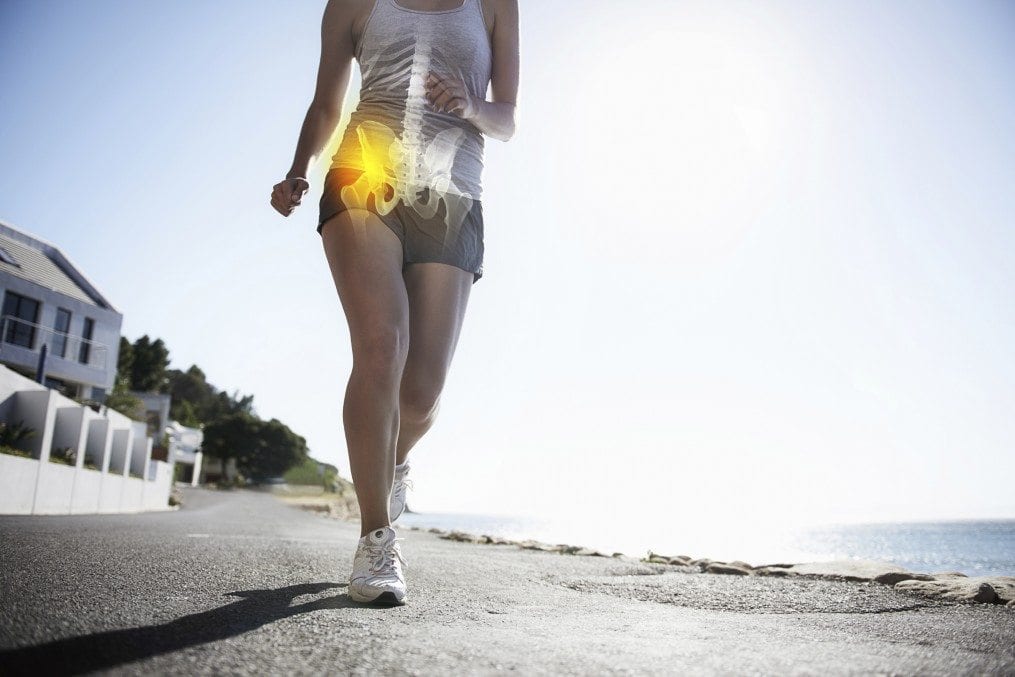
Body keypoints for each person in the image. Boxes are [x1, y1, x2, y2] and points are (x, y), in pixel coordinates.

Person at [269, 0, 519, 606]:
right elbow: (328, 100)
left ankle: (395, 457)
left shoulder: (496, 5)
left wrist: (468, 105)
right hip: (364, 170)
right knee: (382, 344)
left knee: (422, 392)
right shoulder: (352, 4)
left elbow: (507, 118)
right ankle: (375, 537)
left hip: (453, 190)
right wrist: (299, 168)